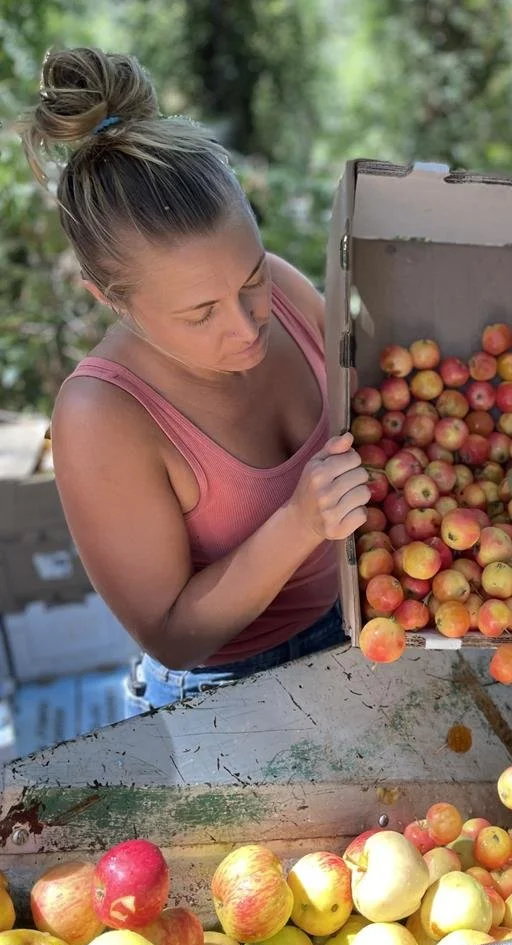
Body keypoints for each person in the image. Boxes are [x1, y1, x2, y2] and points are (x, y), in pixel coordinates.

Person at [19, 47, 370, 716]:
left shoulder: (289, 294)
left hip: (359, 625)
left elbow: (374, 411)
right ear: (110, 300)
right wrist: (299, 523)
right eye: (200, 313)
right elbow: (174, 636)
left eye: (250, 281)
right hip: (224, 693)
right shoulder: (102, 417)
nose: (245, 326)